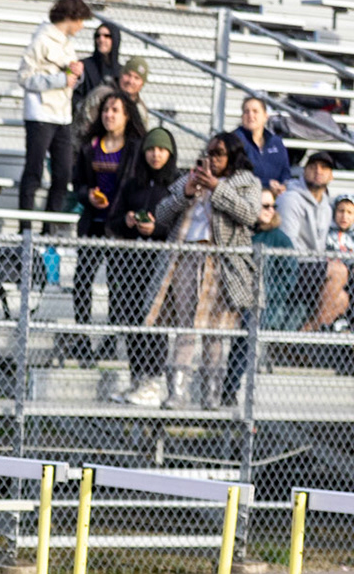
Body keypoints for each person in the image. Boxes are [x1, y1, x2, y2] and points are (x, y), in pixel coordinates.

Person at [141, 132, 260, 410]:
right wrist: (186, 192)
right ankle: (177, 392)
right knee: (186, 328)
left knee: (215, 331)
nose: (212, 159)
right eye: (209, 153)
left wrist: (217, 188)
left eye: (219, 154)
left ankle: (211, 394)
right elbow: (162, 215)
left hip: (221, 263)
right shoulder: (190, 178)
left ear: (232, 156)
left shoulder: (247, 182)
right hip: (186, 257)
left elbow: (249, 215)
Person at [66, 88, 142, 361]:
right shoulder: (91, 146)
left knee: (116, 284)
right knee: (82, 280)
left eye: (115, 110)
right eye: (106, 110)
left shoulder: (135, 149)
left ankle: (110, 339)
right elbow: (78, 184)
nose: (109, 115)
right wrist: (87, 194)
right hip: (93, 225)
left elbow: (138, 186)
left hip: (119, 227)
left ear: (126, 116)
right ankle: (82, 337)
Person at [105, 126, 179, 406]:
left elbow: (181, 225)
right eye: (151, 149)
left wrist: (156, 229)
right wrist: (127, 222)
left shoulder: (176, 185)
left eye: (161, 150)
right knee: (132, 318)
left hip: (161, 263)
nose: (155, 155)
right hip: (133, 264)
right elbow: (112, 221)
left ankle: (154, 381)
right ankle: (137, 378)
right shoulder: (133, 183)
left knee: (155, 320)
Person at [17, 0, 91, 220]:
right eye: (80, 20)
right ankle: (25, 228)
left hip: (62, 116)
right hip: (40, 114)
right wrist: (60, 79)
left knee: (63, 174)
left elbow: (70, 80)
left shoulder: (67, 44)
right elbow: (24, 78)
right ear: (71, 17)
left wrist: (76, 74)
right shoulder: (41, 40)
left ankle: (49, 228)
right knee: (34, 171)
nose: (82, 26)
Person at [275, 152, 346, 332]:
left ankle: (302, 335)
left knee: (342, 299)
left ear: (331, 176)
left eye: (324, 168)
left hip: (311, 268)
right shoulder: (290, 199)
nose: (318, 171)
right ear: (304, 171)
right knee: (338, 271)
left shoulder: (326, 206)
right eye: (313, 166)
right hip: (289, 267)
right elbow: (286, 245)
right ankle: (303, 336)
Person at [255, 187, 302, 335]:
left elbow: (289, 275)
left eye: (273, 206)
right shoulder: (241, 233)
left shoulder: (280, 238)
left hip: (268, 307)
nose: (271, 210)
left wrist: (268, 292)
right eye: (265, 206)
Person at [74, 56, 149, 140]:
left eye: (137, 78)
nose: (131, 81)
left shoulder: (141, 109)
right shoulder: (101, 95)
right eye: (128, 75)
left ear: (142, 84)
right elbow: (83, 128)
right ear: (121, 74)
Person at [234, 96, 291, 194]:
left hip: (276, 195)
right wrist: (266, 184)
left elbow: (285, 171)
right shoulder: (234, 141)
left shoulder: (276, 142)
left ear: (265, 116)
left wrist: (283, 185)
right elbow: (236, 176)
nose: (250, 115)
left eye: (255, 111)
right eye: (246, 112)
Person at [71, 22, 120, 122]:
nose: (101, 39)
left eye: (107, 36)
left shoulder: (121, 71)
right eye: (98, 36)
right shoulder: (82, 65)